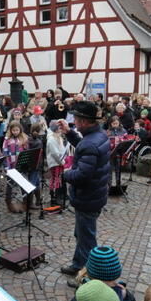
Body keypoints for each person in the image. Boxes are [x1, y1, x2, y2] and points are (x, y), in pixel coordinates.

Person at [57, 101, 110, 276]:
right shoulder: (99, 135)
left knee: (87, 239)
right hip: (95, 195)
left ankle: (87, 275)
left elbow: (82, 175)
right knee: (81, 234)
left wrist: (65, 174)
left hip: (87, 198)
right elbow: (84, 145)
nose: (74, 121)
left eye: (76, 119)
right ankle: (78, 264)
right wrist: (69, 132)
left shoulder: (90, 142)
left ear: (85, 122)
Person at [2, 120, 28, 213]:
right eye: (14, 130)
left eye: (17, 130)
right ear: (11, 130)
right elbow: (5, 154)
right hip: (11, 166)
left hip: (20, 165)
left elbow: (26, 151)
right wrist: (7, 167)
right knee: (10, 186)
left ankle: (25, 203)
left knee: (24, 185)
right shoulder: (7, 140)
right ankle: (9, 203)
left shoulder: (23, 138)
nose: (15, 132)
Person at [45, 120, 67, 207]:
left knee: (58, 179)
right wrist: (62, 162)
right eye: (59, 128)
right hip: (55, 163)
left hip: (60, 162)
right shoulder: (51, 139)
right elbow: (55, 153)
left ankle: (58, 197)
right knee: (55, 180)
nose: (61, 130)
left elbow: (62, 150)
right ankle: (53, 198)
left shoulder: (59, 137)